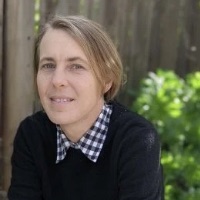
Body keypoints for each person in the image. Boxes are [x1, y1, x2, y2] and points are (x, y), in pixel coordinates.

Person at [8, 15, 164, 200]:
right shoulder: (32, 134)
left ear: (106, 80)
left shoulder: (135, 140)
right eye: (48, 65)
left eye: (76, 66)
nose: (57, 80)